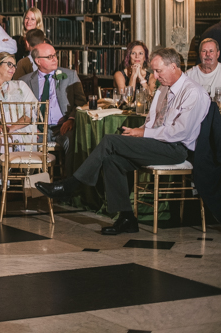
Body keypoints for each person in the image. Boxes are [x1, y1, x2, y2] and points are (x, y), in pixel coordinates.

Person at [37, 48, 211, 235]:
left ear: (174, 67)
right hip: (160, 144)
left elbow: (180, 132)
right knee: (112, 161)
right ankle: (127, 218)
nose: (155, 76)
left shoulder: (192, 92)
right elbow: (151, 122)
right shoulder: (163, 90)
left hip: (178, 149)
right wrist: (140, 131)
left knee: (110, 141)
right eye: (154, 71)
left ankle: (71, 185)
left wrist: (144, 134)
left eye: (159, 71)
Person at [0, 52, 39, 215]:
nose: (13, 68)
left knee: (2, 140)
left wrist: (9, 128)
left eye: (14, 65)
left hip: (17, 130)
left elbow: (31, 114)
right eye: (9, 64)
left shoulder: (21, 86)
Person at [19, 43, 87, 176]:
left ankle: (68, 186)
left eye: (55, 55)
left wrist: (71, 119)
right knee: (25, 141)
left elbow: (81, 102)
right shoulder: (24, 81)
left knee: (72, 140)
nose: (55, 59)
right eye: (50, 57)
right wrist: (30, 127)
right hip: (36, 129)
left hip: (62, 127)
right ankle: (31, 189)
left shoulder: (70, 75)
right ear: (38, 61)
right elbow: (20, 109)